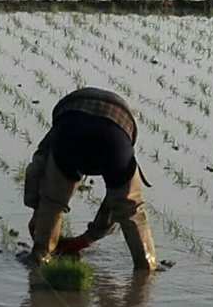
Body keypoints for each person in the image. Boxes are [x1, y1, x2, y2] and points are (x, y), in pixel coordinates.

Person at [23, 87, 157, 271]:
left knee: (52, 203)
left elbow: (34, 170)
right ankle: (146, 268)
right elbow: (113, 203)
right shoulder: (123, 131)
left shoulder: (59, 129)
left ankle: (40, 258)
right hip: (115, 138)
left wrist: (37, 211)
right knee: (131, 211)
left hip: (71, 134)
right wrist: (87, 240)